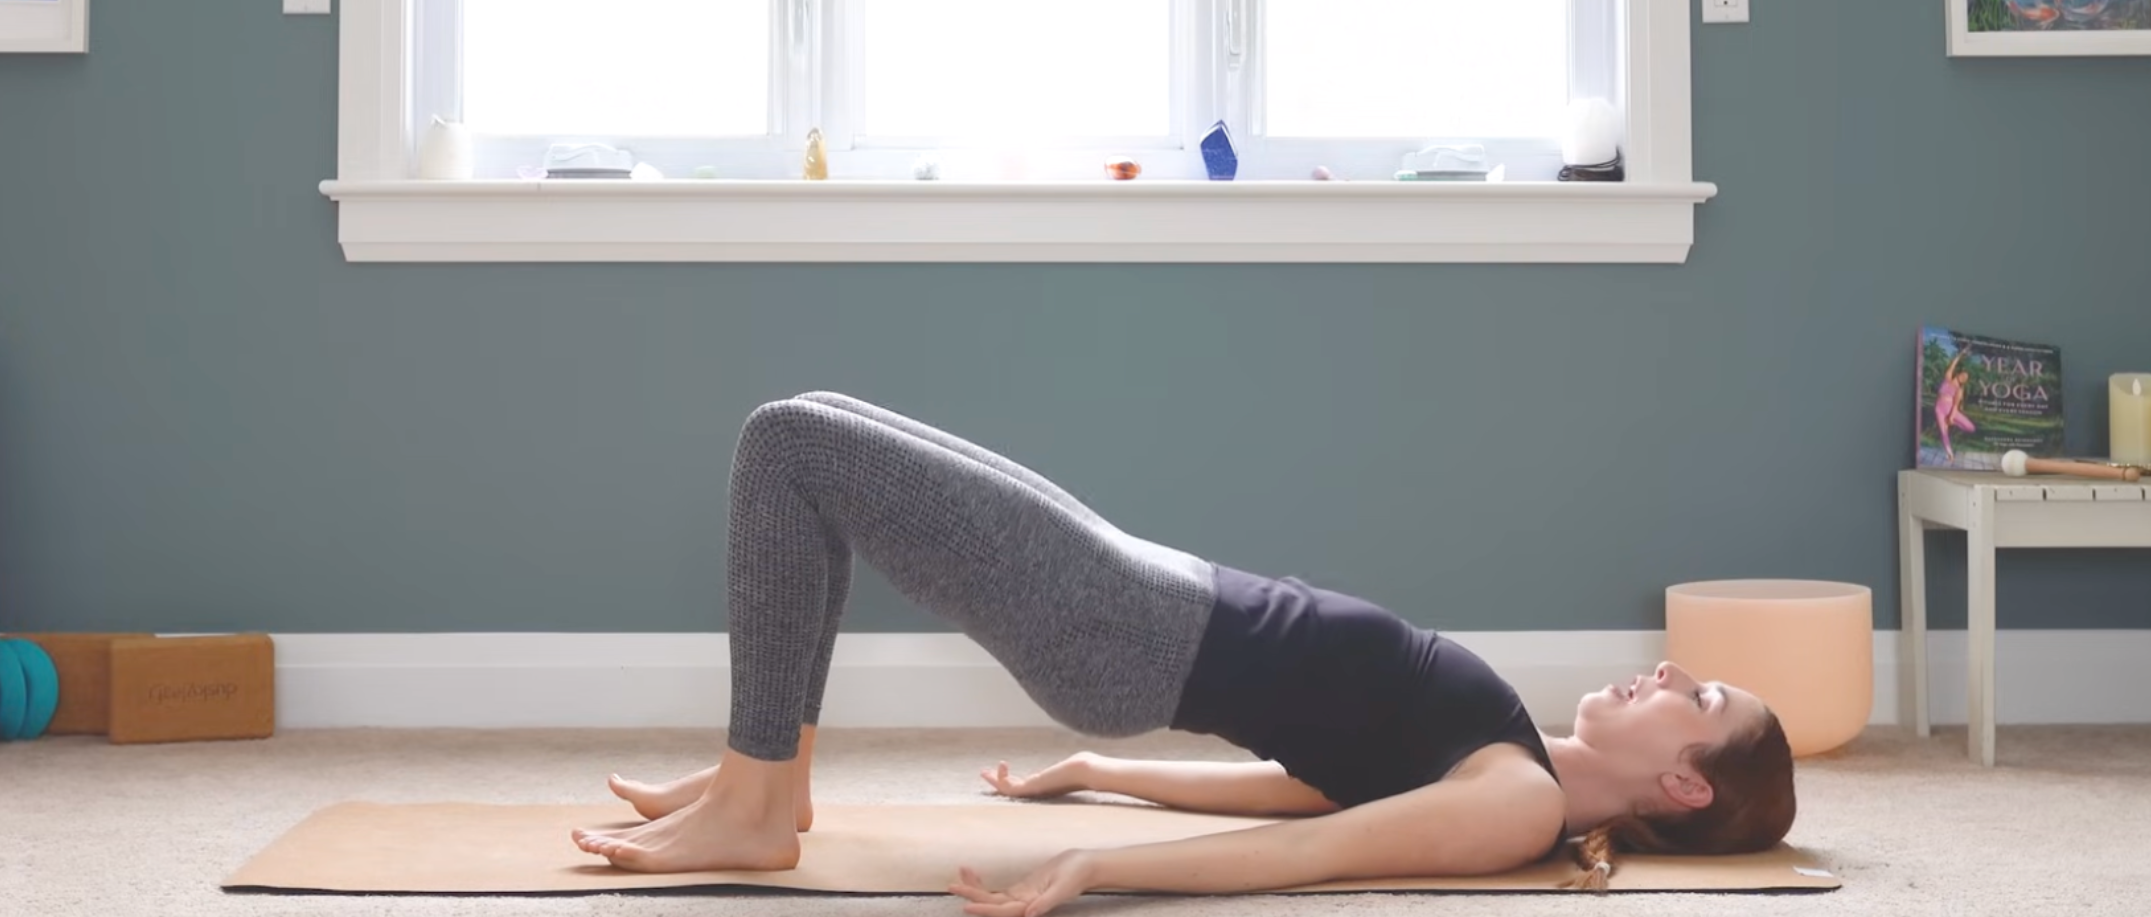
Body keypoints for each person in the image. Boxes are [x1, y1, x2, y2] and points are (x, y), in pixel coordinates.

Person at [573, 393, 1796, 912]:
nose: (1672, 672)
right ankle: (767, 770)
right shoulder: (1509, 756)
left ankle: (758, 796)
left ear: (1687, 783)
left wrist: (1101, 867)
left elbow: (1315, 857)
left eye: (1702, 699)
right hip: (1136, 589)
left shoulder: (1518, 805)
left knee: (787, 444)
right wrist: (1099, 776)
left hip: (1120, 621)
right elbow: (1308, 784)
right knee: (815, 427)